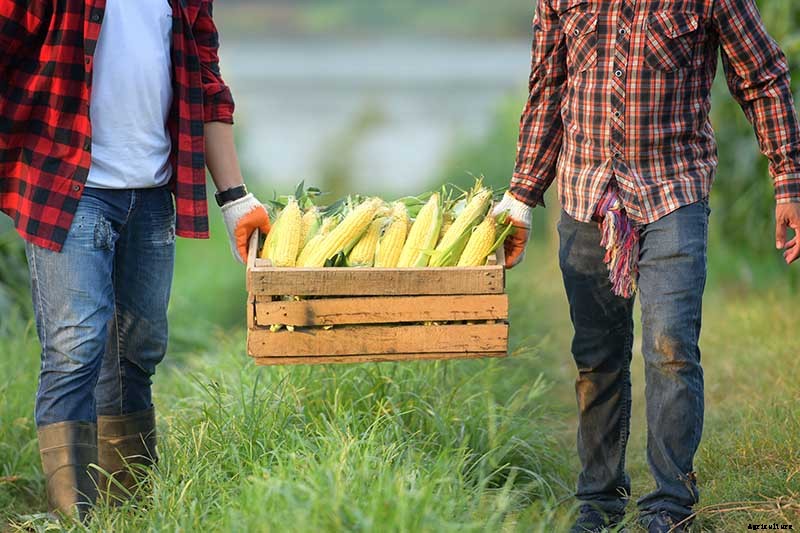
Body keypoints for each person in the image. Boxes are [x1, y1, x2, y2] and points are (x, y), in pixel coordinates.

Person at [492, 1, 800, 531]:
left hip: (673, 188)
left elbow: (763, 76)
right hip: (587, 193)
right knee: (597, 356)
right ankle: (599, 499)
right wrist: (521, 199)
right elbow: (547, 89)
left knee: (671, 347)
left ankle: (670, 504)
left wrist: (788, 180)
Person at [0, 0, 270, 520]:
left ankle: (128, 512)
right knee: (76, 348)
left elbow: (208, 89)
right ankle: (75, 519)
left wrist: (235, 199)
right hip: (69, 189)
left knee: (138, 349)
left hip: (150, 194)